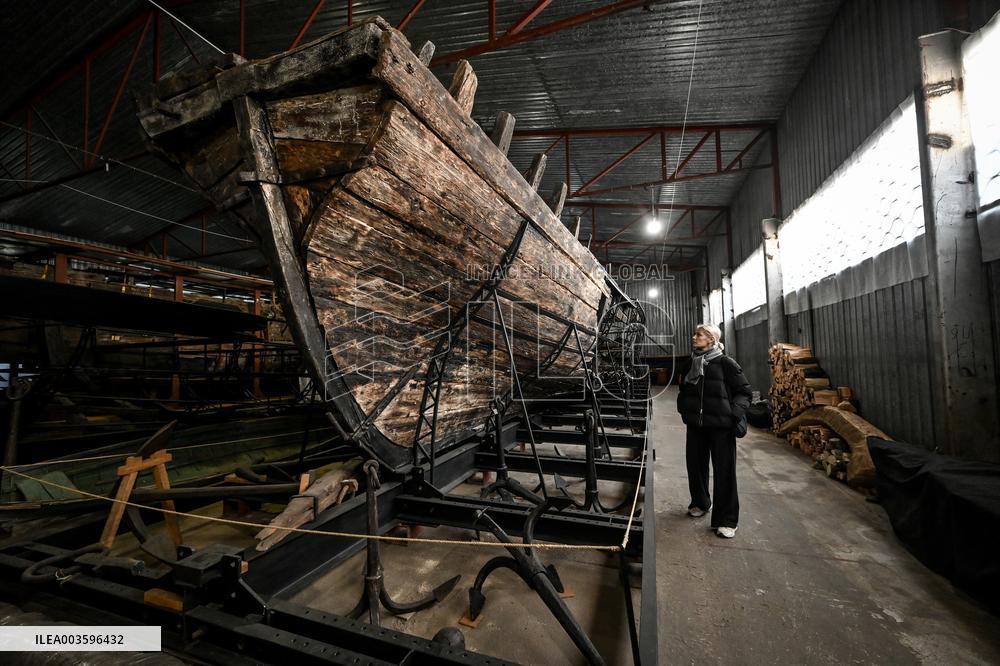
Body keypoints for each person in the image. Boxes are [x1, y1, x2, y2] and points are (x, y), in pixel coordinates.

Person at [676, 323, 752, 538]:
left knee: (724, 472)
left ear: (711, 339)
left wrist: (732, 415)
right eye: (695, 333)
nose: (694, 337)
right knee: (696, 466)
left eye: (699, 334)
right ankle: (700, 503)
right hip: (696, 426)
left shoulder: (725, 363)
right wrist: (684, 408)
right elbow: (684, 388)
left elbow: (744, 392)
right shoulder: (691, 362)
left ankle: (727, 520)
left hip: (721, 427)